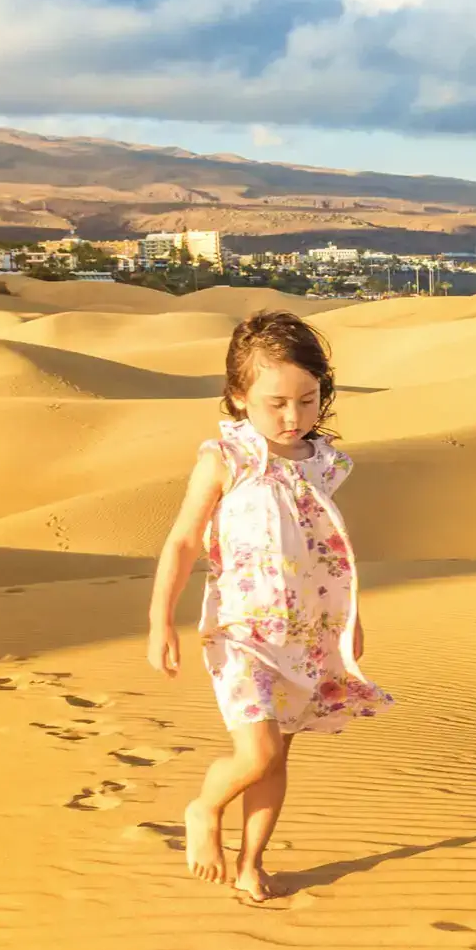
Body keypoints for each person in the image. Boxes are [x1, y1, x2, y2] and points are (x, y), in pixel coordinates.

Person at [146, 309, 391, 903]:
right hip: (241, 632)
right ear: (239, 397)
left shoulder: (324, 463)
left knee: (277, 759)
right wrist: (161, 620)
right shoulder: (226, 460)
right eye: (276, 402)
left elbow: (327, 547)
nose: (294, 417)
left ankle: (251, 863)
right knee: (254, 754)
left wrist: (351, 621)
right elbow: (182, 540)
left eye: (308, 400)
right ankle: (204, 809)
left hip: (307, 635)